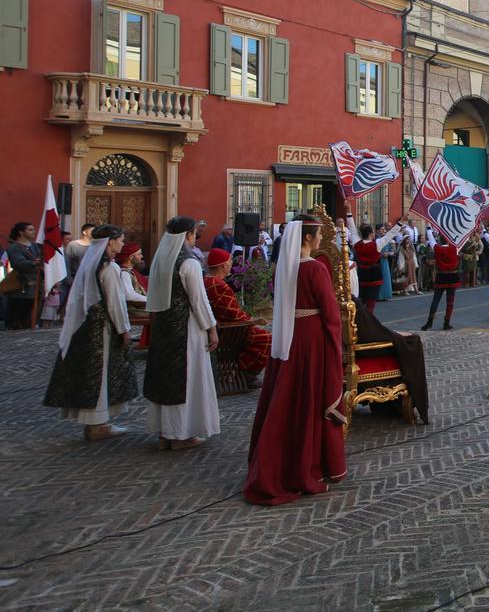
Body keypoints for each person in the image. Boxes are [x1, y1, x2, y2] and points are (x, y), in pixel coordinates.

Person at [244, 216, 347, 505]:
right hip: (311, 340)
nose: (320, 239)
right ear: (307, 238)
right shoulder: (315, 269)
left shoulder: (284, 267)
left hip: (288, 338)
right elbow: (330, 312)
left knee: (286, 398)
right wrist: (336, 343)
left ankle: (279, 460)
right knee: (309, 398)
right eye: (318, 234)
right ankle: (306, 465)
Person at [42, 225, 139, 440]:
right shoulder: (109, 268)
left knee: (90, 373)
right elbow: (115, 303)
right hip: (101, 329)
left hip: (85, 327)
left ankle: (94, 422)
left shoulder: (90, 264)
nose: (122, 243)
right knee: (100, 373)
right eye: (121, 240)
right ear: (111, 242)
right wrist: (124, 329)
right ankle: (98, 424)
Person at [143, 216, 220, 450]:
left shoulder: (161, 260)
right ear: (188, 235)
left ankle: (165, 431)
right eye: (194, 233)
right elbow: (198, 300)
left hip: (163, 328)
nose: (195, 237)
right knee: (187, 379)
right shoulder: (189, 263)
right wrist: (211, 328)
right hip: (187, 329)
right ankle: (180, 434)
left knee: (166, 378)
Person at [203, 248, 271, 384]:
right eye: (229, 262)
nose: (231, 265)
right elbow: (233, 313)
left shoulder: (207, 281)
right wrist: (253, 320)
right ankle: (246, 373)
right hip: (227, 331)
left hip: (222, 327)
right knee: (267, 339)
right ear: (223, 266)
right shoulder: (218, 285)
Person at [423, 230, 462, 331]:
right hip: (452, 276)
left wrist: (429, 228)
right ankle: (446, 323)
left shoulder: (437, 248)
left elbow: (431, 239)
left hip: (441, 276)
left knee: (436, 299)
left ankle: (429, 322)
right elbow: (461, 237)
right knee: (450, 301)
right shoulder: (455, 248)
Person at [5, 222, 41, 330]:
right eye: (30, 229)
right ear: (21, 232)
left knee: (30, 309)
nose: (34, 231)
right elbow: (18, 263)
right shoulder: (14, 247)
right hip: (22, 282)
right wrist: (34, 263)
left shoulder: (35, 246)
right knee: (19, 308)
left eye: (33, 229)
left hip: (36, 281)